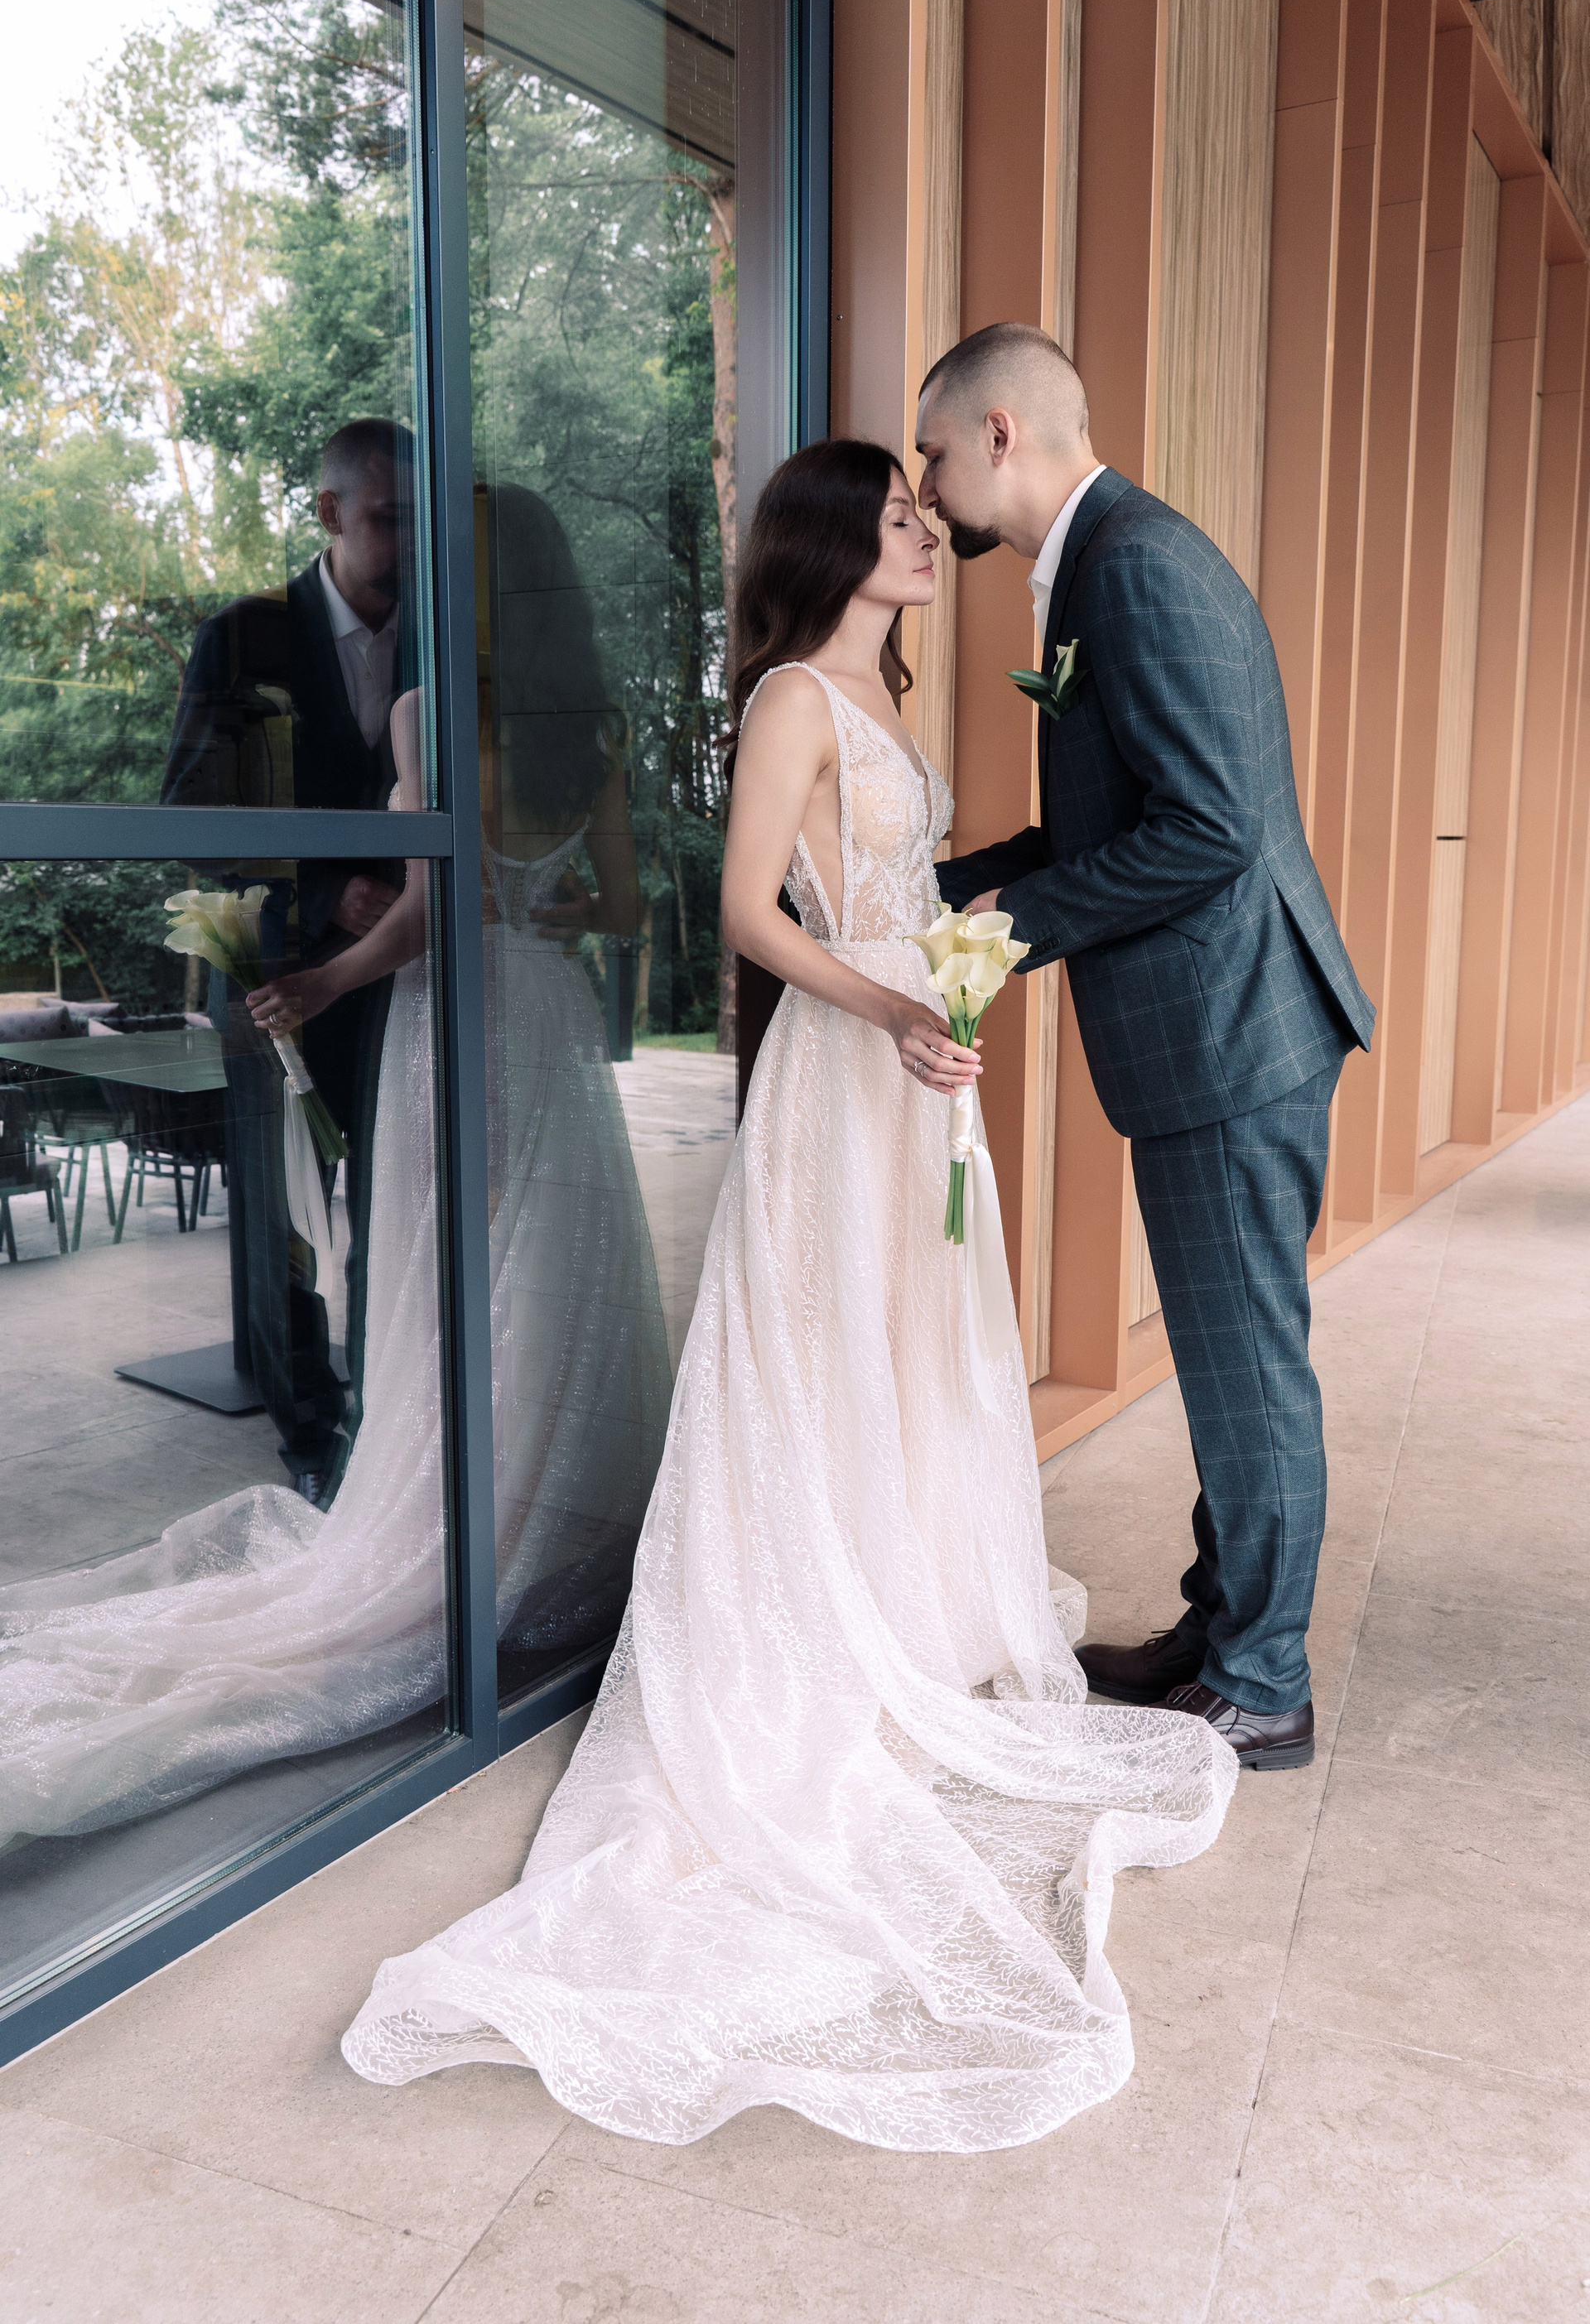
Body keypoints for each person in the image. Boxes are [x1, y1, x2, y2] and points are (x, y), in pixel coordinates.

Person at [339, 439, 1235, 2155]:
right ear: (833, 540)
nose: (926, 532)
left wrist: (949, 969)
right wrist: (893, 1004)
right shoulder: (789, 701)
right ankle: (813, 1630)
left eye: (922, 509)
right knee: (826, 1350)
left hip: (909, 1063)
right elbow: (753, 914)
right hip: (846, 1069)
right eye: (898, 518)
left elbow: (905, 888)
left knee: (912, 1345)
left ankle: (907, 1600)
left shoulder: (877, 695)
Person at [0, 484, 671, 1840]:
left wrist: (318, 981)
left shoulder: (428, 715)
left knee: (440, 1287)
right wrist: (547, 907)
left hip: (454, 1025)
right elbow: (622, 906)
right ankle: (541, 1528)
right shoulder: (588, 729)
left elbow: (424, 917)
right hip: (545, 1022)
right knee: (547, 1281)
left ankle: (452, 1528)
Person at [915, 323, 1375, 1770]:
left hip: (1233, 1035)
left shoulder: (1135, 568)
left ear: (999, 433)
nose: (924, 486)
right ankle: (1220, 1627)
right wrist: (929, 892)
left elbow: (1209, 831)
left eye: (933, 451)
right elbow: (1114, 823)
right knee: (1236, 1361)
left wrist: (1003, 930)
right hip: (1228, 1027)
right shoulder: (1104, 564)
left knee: (1248, 1369)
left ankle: (1263, 1684)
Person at [162, 418, 417, 1503]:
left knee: (397, 1200)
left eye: (422, 523)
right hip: (278, 980)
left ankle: (390, 1424)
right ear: (329, 513)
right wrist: (323, 893)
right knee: (284, 1225)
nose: (410, 546)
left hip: (406, 982)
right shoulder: (242, 640)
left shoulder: (442, 637)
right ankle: (310, 1444)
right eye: (388, 520)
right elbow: (190, 820)